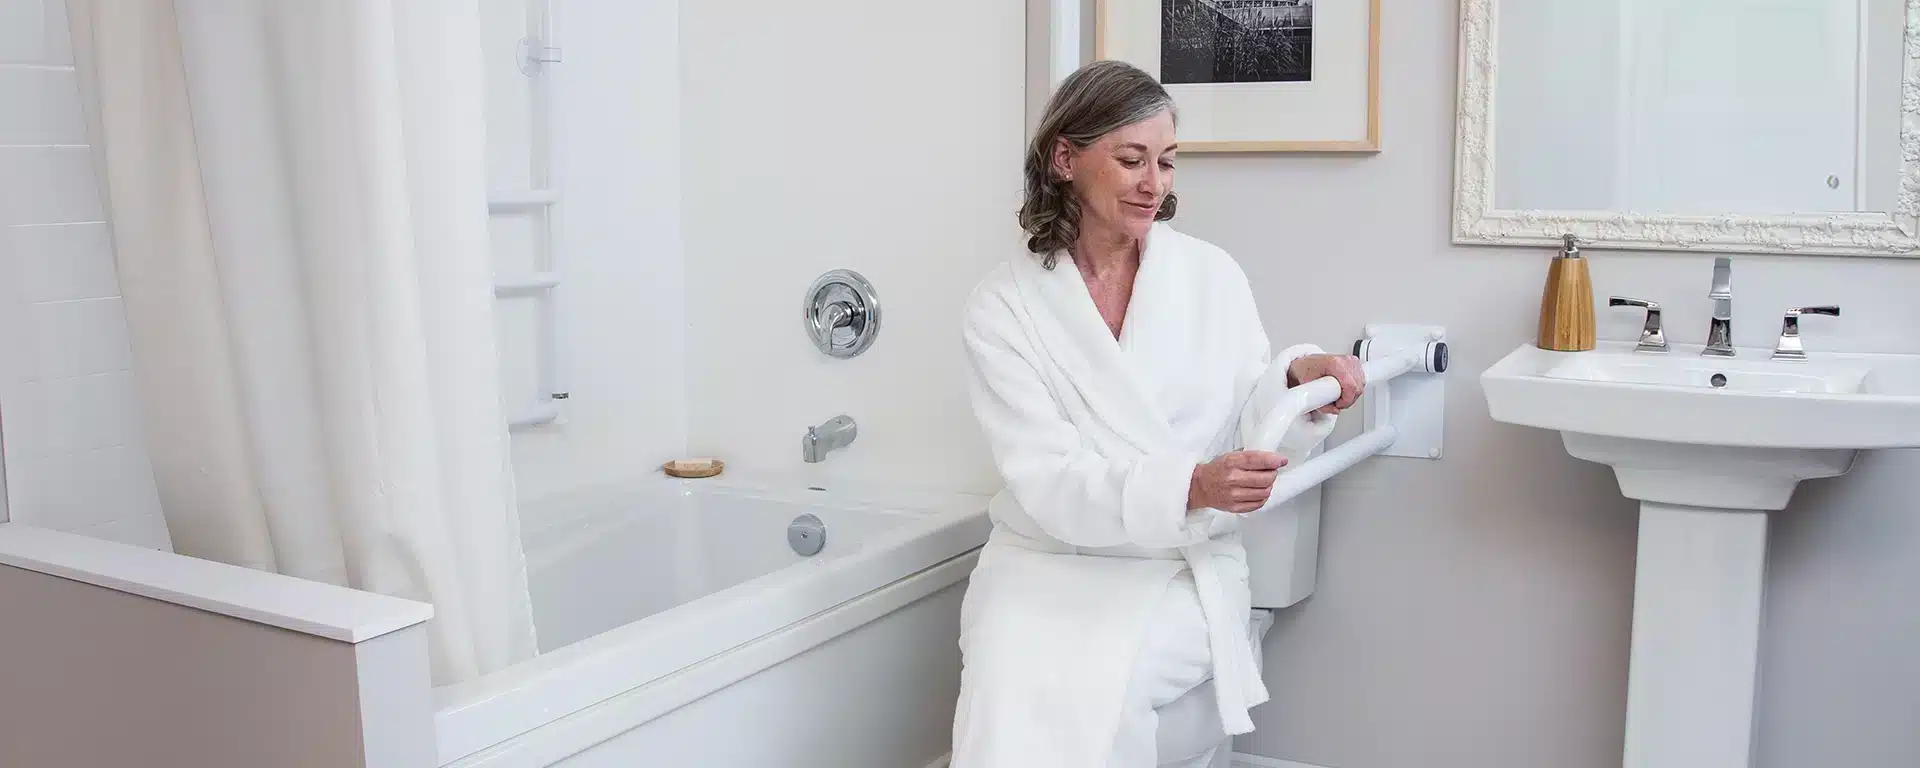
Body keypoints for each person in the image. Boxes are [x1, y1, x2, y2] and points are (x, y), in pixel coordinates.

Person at [949, 60, 1367, 767]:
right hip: (1043, 559)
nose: (1155, 184)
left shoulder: (1210, 277)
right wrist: (1188, 484)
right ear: (1065, 158)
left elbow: (1244, 414)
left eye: (1167, 163)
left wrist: (1294, 377)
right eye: (1132, 159)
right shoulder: (1002, 308)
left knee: (1105, 693)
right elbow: (1047, 480)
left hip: (1176, 563)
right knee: (1005, 690)